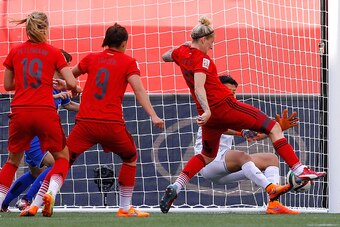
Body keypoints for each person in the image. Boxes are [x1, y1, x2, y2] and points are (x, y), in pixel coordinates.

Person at [159, 16, 325, 213]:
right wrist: (210, 109)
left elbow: (165, 56)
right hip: (223, 108)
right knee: (272, 127)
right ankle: (298, 170)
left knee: (207, 156)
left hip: (211, 120)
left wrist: (185, 46)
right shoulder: (203, 60)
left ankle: (176, 186)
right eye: (211, 43)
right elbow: (199, 86)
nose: (211, 48)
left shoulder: (182, 53)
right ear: (203, 40)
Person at [21, 23, 164, 217]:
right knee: (130, 158)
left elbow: (71, 75)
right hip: (111, 124)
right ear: (124, 43)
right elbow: (138, 90)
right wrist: (153, 115)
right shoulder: (129, 62)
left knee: (62, 160)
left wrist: (65, 83)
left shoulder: (92, 58)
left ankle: (37, 203)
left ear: (106, 41)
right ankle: (124, 208)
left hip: (85, 123)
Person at [0, 11, 81, 217]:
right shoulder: (54, 52)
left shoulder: (15, 51)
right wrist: (71, 87)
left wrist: (29, 82)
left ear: (27, 28)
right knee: (62, 157)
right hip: (44, 111)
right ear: (45, 28)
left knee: (12, 162)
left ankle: (4, 200)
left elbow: (8, 85)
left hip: (20, 112)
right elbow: (71, 82)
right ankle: (49, 193)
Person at [194, 75, 299, 214]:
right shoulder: (209, 109)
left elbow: (256, 135)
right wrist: (241, 133)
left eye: (234, 92)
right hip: (208, 163)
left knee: (271, 159)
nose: (232, 95)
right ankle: (271, 188)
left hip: (224, 167)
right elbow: (220, 127)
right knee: (241, 156)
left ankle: (274, 204)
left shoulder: (233, 111)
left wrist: (277, 128)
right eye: (229, 91)